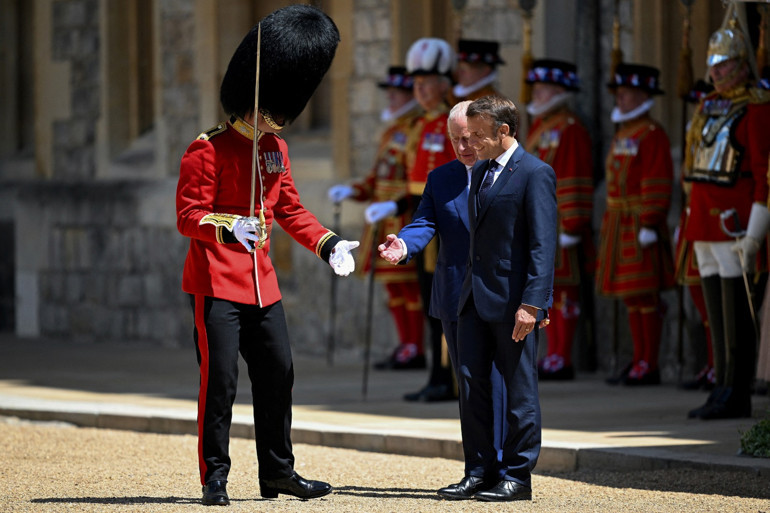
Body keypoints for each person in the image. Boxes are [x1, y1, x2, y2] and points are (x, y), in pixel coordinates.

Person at [176, 5, 359, 505]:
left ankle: (278, 472)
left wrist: (329, 244)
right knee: (221, 386)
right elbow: (188, 216)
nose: (273, 117)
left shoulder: (275, 147)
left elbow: (292, 211)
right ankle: (215, 476)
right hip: (215, 282)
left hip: (263, 284)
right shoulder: (206, 150)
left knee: (278, 377)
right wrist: (230, 226)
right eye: (269, 108)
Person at [437, 95, 557, 502]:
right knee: (472, 388)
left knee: (519, 391)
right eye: (464, 135)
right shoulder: (481, 172)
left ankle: (517, 475)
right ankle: (479, 470)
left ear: (504, 132)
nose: (469, 143)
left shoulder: (535, 173)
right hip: (473, 299)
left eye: (478, 135)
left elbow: (543, 246)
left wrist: (534, 302)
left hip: (513, 304)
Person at [683, 24, 770, 419]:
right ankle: (721, 384)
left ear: (743, 65)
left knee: (736, 309)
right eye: (713, 63)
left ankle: (737, 389)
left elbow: (762, 171)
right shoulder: (708, 105)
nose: (716, 71)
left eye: (725, 63)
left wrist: (755, 233)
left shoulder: (757, 107)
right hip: (703, 218)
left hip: (734, 221)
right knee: (714, 309)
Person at [366, 38, 456, 378]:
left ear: (443, 85)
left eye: (426, 84)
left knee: (443, 300)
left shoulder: (451, 123)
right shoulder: (418, 125)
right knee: (428, 298)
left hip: (444, 217)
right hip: (421, 214)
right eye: (416, 85)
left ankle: (447, 377)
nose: (419, 91)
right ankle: (436, 373)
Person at [327, 66, 425, 370]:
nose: (392, 99)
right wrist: (352, 191)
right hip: (381, 220)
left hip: (403, 217)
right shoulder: (391, 132)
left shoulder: (417, 129)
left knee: (410, 288)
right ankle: (404, 344)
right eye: (390, 94)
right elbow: (375, 179)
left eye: (398, 94)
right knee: (393, 289)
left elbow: (417, 179)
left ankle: (416, 347)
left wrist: (394, 204)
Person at [596, 63, 675, 387]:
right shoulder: (623, 133)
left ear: (643, 96)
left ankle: (650, 361)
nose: (621, 100)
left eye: (627, 94)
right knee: (631, 297)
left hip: (639, 223)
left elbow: (657, 177)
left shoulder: (651, 133)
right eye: (619, 94)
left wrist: (651, 218)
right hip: (618, 222)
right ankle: (638, 359)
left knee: (646, 295)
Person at [523, 59, 594, 380]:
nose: (536, 94)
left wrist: (573, 223)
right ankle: (551, 353)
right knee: (545, 288)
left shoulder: (570, 128)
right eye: (535, 89)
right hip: (540, 220)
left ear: (558, 91)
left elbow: (573, 175)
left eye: (543, 89)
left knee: (564, 289)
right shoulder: (542, 126)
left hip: (560, 221)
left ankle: (562, 356)